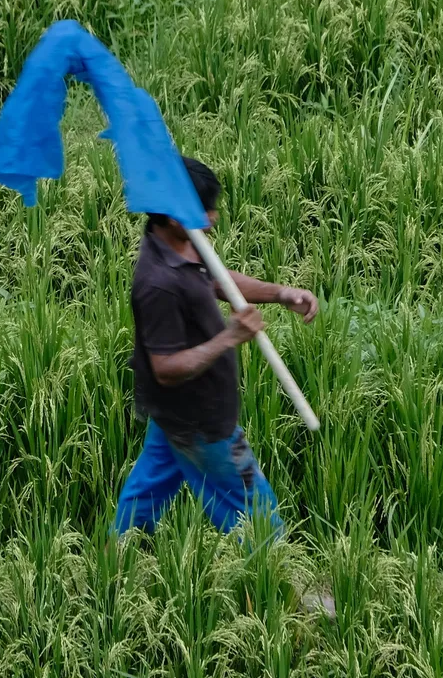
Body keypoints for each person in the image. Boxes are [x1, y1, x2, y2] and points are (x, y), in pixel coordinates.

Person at [113, 157, 318, 538]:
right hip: (202, 423)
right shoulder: (157, 283)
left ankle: (112, 563)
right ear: (175, 216)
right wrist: (230, 337)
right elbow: (165, 366)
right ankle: (278, 587)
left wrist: (279, 293)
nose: (214, 217)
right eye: (206, 210)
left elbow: (217, 279)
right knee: (256, 511)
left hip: (170, 415)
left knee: (142, 502)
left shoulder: (182, 242)